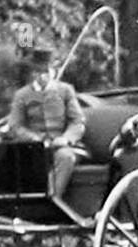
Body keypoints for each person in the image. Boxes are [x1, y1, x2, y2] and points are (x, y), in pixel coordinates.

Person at [8, 45, 87, 222]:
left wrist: (66, 139)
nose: (42, 76)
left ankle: (53, 199)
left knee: (66, 157)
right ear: (32, 73)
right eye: (38, 72)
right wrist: (34, 139)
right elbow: (15, 125)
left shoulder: (65, 91)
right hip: (34, 148)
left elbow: (77, 121)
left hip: (61, 147)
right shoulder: (22, 95)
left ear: (53, 71)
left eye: (46, 71)